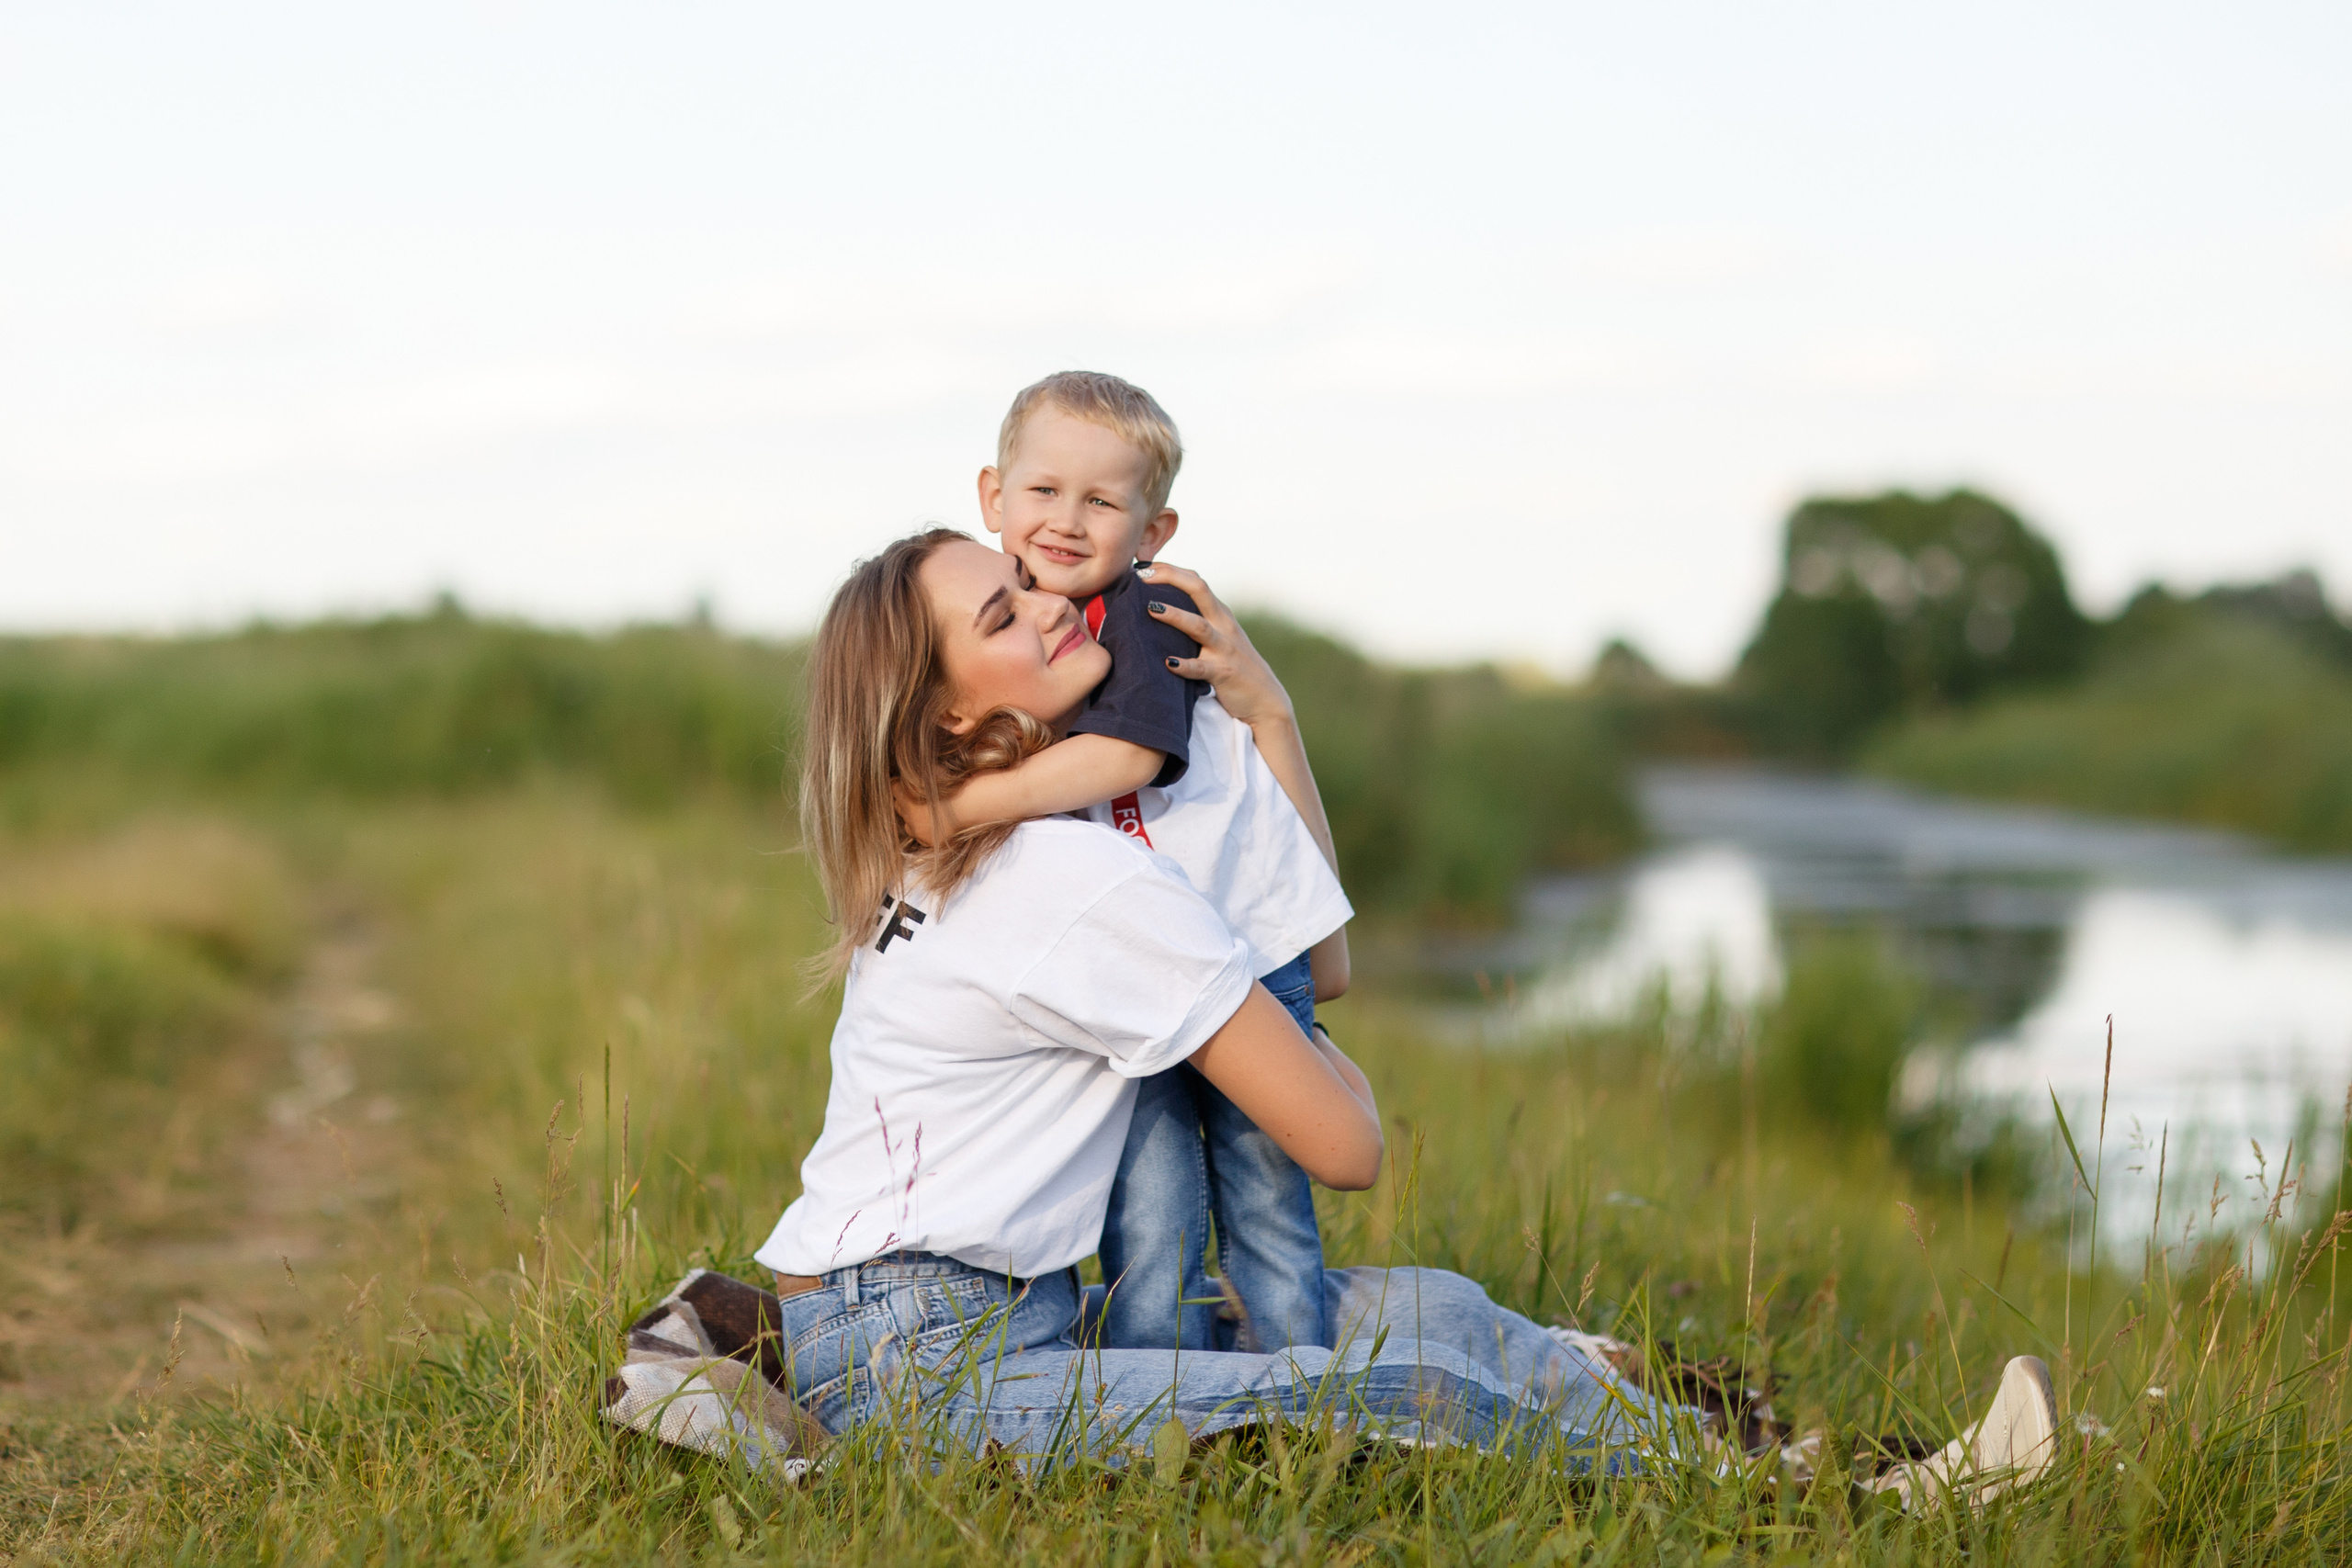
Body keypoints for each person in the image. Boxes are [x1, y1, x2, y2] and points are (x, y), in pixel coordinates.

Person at [680, 528, 2061, 1496]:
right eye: (1003, 614)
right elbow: (1344, 1141)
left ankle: (1809, 1458)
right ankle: (1853, 1514)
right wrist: (1292, 1034)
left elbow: (1309, 966)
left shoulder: (969, 847)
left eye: (1030, 580)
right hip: (927, 1366)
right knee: (1386, 1376)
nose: (1054, 597)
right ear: (952, 718)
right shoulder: (1065, 873)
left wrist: (1267, 720)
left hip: (933, 1319)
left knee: (1431, 1306)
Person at [898, 370, 1351, 1354]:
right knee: (1146, 1197)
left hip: (1233, 948)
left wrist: (966, 806)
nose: (1065, 522)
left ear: (1151, 532)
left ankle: (1298, 1373)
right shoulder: (1008, 630)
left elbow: (1130, 759)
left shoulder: (1144, 617)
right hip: (1134, 968)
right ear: (992, 498)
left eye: (1101, 502)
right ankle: (1158, 1385)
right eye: (1043, 491)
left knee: (1260, 1181)